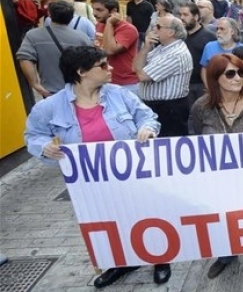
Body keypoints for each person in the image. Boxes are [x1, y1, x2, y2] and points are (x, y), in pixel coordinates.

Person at [23, 46, 166, 288]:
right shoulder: (50, 106)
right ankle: (122, 262)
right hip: (92, 183)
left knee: (146, 215)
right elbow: (32, 135)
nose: (110, 68)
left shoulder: (119, 94)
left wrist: (148, 128)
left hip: (133, 174)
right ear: (82, 72)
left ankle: (160, 259)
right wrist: (44, 146)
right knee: (109, 222)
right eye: (102, 65)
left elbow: (147, 116)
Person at [191, 53, 243, 279]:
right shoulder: (201, 107)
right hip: (219, 180)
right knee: (223, 219)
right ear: (215, 77)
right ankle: (226, 255)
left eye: (241, 72)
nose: (239, 78)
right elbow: (193, 139)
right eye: (231, 73)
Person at [132, 15, 192, 137]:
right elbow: (134, 68)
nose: (154, 29)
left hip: (169, 109)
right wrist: (146, 48)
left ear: (171, 32)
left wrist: (141, 66)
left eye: (158, 26)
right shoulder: (161, 48)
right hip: (155, 106)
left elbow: (142, 76)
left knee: (169, 146)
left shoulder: (176, 53)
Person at [17, 0, 92, 98]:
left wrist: (35, 84)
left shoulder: (33, 35)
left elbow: (25, 58)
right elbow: (91, 63)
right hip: (79, 91)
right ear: (71, 17)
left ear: (49, 14)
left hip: (51, 93)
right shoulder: (83, 38)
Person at [90, 0, 139, 93]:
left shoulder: (127, 29)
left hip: (127, 84)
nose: (94, 13)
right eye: (93, 9)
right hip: (106, 82)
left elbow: (109, 50)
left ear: (113, 11)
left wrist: (109, 23)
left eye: (99, 10)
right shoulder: (99, 26)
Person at [180, 2, 217, 107]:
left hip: (202, 86)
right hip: (184, 85)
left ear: (196, 17)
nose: (182, 18)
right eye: (180, 14)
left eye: (186, 15)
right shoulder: (181, 38)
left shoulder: (209, 37)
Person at [200, 18, 243, 86]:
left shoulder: (241, 48)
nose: (218, 32)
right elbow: (204, 69)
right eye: (217, 29)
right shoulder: (209, 46)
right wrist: (208, 87)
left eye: (222, 29)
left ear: (232, 31)